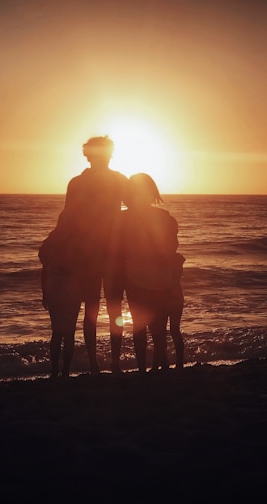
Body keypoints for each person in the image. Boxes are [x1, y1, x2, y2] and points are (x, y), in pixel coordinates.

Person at [63, 136, 129, 374]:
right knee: (109, 309)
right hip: (103, 254)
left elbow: (67, 219)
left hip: (93, 254)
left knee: (94, 308)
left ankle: (100, 363)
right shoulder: (116, 180)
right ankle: (109, 362)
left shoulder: (78, 183)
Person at [120, 173, 185, 373]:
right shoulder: (165, 218)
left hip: (136, 278)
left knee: (139, 327)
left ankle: (142, 370)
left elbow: (119, 249)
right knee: (158, 329)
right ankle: (161, 366)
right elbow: (172, 247)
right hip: (162, 278)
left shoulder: (123, 219)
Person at [38, 211, 83, 378]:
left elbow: (45, 269)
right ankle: (64, 372)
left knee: (57, 332)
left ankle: (55, 371)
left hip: (55, 287)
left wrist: (45, 292)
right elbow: (82, 268)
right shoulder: (77, 241)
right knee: (69, 332)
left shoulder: (51, 240)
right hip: (72, 287)